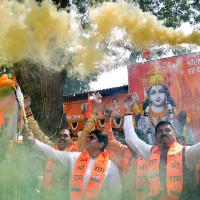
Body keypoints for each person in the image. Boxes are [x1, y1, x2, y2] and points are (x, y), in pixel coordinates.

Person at [124, 94, 200, 200]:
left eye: (168, 130)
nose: (164, 133)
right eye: (159, 131)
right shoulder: (150, 153)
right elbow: (130, 138)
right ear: (155, 138)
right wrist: (128, 109)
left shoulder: (186, 153)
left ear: (175, 135)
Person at [25, 128, 122, 200]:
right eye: (88, 137)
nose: (87, 139)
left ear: (100, 144)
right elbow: (52, 153)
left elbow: (115, 194)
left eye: (92, 138)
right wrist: (34, 142)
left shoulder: (111, 167)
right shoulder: (75, 158)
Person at [133, 68, 195, 145]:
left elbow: (191, 143)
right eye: (153, 92)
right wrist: (142, 133)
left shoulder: (179, 117)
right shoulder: (141, 119)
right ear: (148, 95)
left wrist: (179, 135)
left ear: (166, 93)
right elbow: (137, 147)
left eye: (161, 91)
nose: (157, 96)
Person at [41, 128, 79, 199]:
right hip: (50, 193)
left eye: (65, 136)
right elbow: (40, 135)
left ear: (71, 139)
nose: (62, 138)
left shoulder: (76, 150)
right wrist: (29, 118)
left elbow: (86, 132)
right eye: (60, 135)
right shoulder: (52, 148)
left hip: (68, 195)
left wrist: (93, 117)